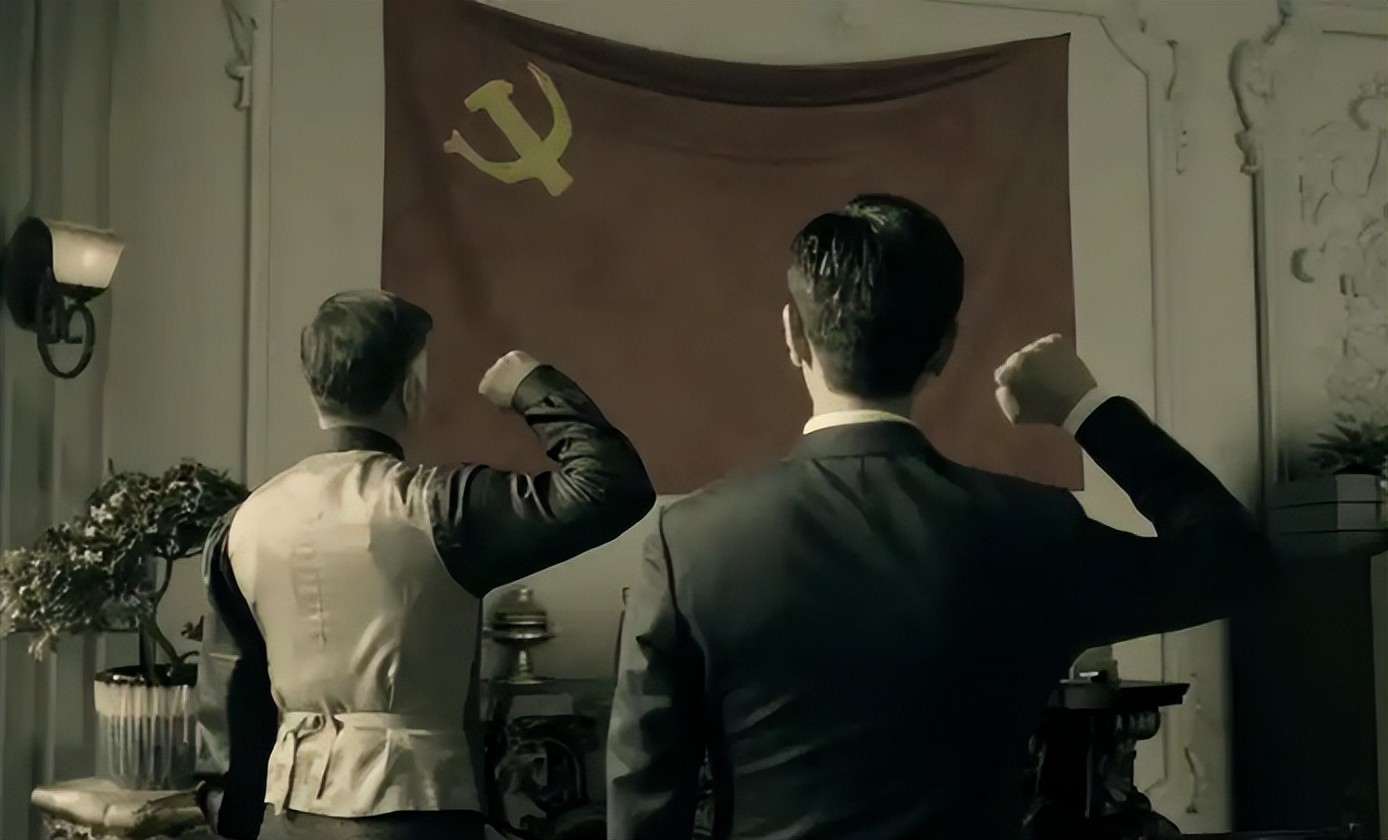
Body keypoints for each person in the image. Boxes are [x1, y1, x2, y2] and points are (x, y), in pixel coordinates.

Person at [605, 194, 1274, 840]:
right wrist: (1086, 409)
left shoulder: (691, 541)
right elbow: (1235, 563)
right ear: (945, 348)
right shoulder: (1031, 529)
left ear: (793, 334)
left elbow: (645, 791)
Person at [194, 289, 655, 840]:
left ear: (314, 390)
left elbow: (232, 699)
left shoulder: (242, 524)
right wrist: (533, 386)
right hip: (416, 811)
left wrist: (237, 819)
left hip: (286, 815)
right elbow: (612, 485)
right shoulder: (438, 508)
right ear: (411, 387)